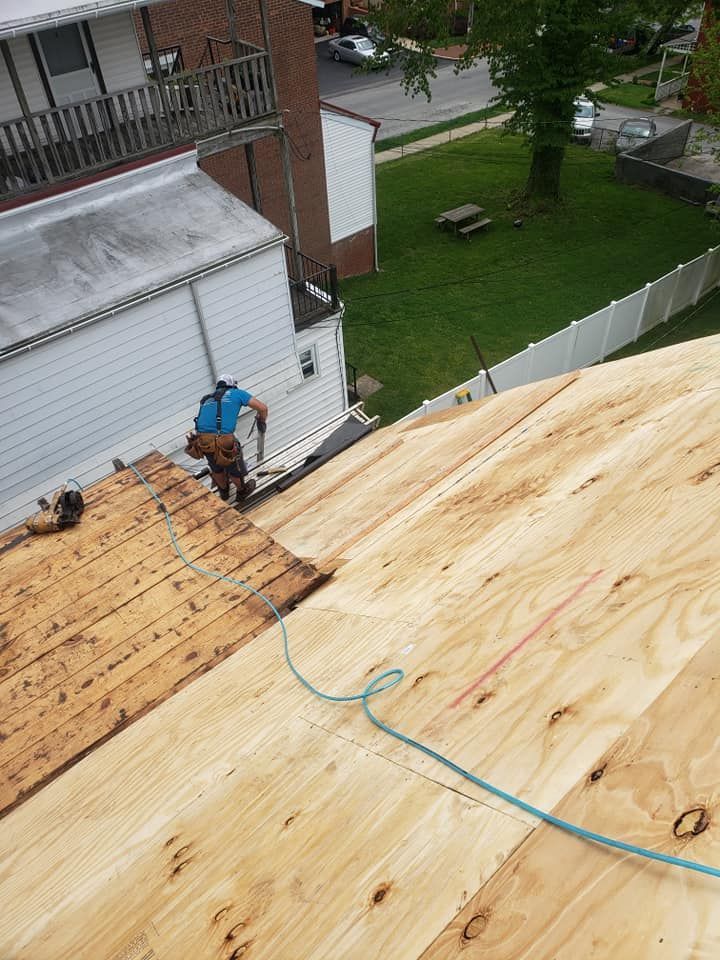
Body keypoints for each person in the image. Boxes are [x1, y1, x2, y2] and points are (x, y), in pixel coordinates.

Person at [190, 374, 268, 501]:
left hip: (203, 439)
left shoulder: (206, 399)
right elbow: (263, 408)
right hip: (223, 438)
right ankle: (242, 491)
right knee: (233, 467)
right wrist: (262, 420)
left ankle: (224, 492)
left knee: (216, 466)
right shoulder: (237, 393)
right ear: (232, 385)